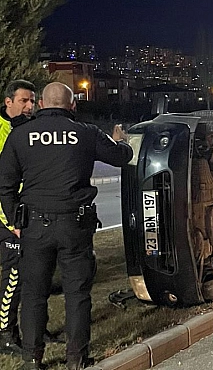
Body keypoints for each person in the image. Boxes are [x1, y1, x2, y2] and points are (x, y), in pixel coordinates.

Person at [0, 82, 132, 369]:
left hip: (34, 227)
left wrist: (14, 221)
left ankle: (32, 359)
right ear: (72, 106)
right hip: (75, 225)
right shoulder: (86, 133)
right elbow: (122, 157)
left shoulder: (20, 135)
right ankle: (76, 358)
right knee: (77, 293)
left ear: (43, 105)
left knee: (34, 294)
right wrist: (120, 139)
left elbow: (6, 185)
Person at [0, 80, 35, 354]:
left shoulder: (29, 130)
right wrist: (11, 222)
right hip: (8, 220)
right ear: (8, 101)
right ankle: (6, 334)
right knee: (14, 275)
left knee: (35, 273)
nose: (30, 106)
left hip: (28, 216)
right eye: (24, 101)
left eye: (32, 101)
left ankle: (33, 326)